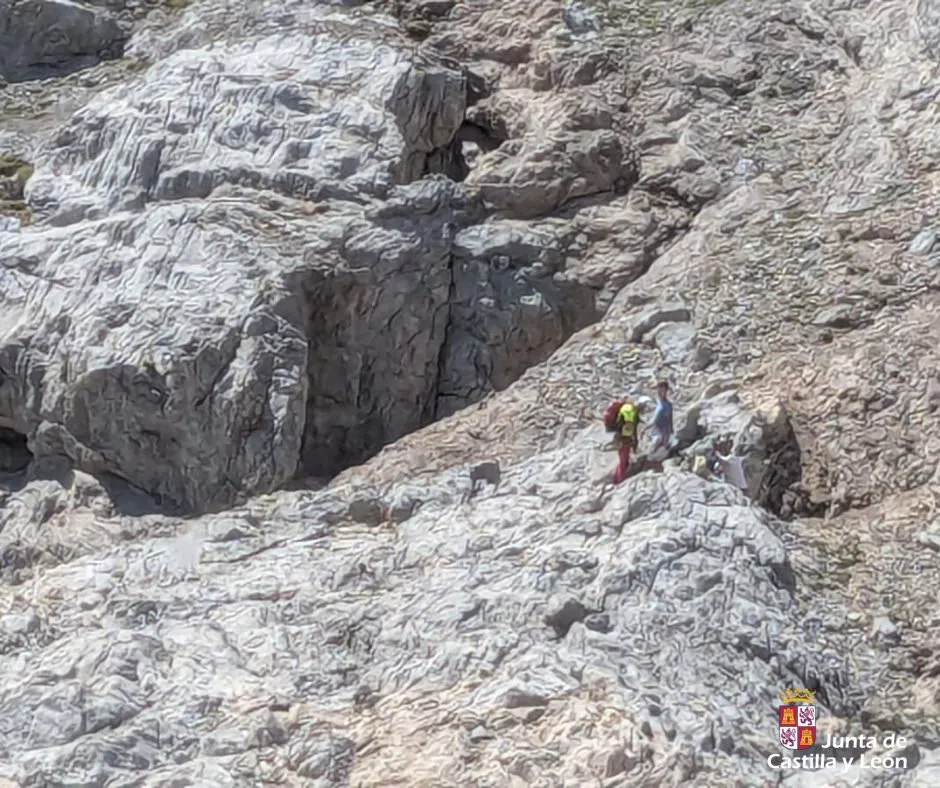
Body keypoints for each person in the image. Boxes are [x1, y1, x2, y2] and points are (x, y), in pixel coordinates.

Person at [612, 399, 640, 484]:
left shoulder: (622, 412)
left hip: (619, 439)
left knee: (622, 460)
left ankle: (615, 478)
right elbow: (634, 430)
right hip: (626, 441)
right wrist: (635, 443)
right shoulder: (633, 415)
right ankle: (620, 481)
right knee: (624, 462)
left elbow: (617, 426)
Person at [645, 381, 674, 463]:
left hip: (663, 432)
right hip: (656, 430)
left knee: (657, 452)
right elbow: (656, 417)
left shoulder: (667, 405)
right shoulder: (659, 402)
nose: (660, 393)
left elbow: (668, 419)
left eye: (662, 391)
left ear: (666, 391)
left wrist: (671, 431)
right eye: (658, 390)